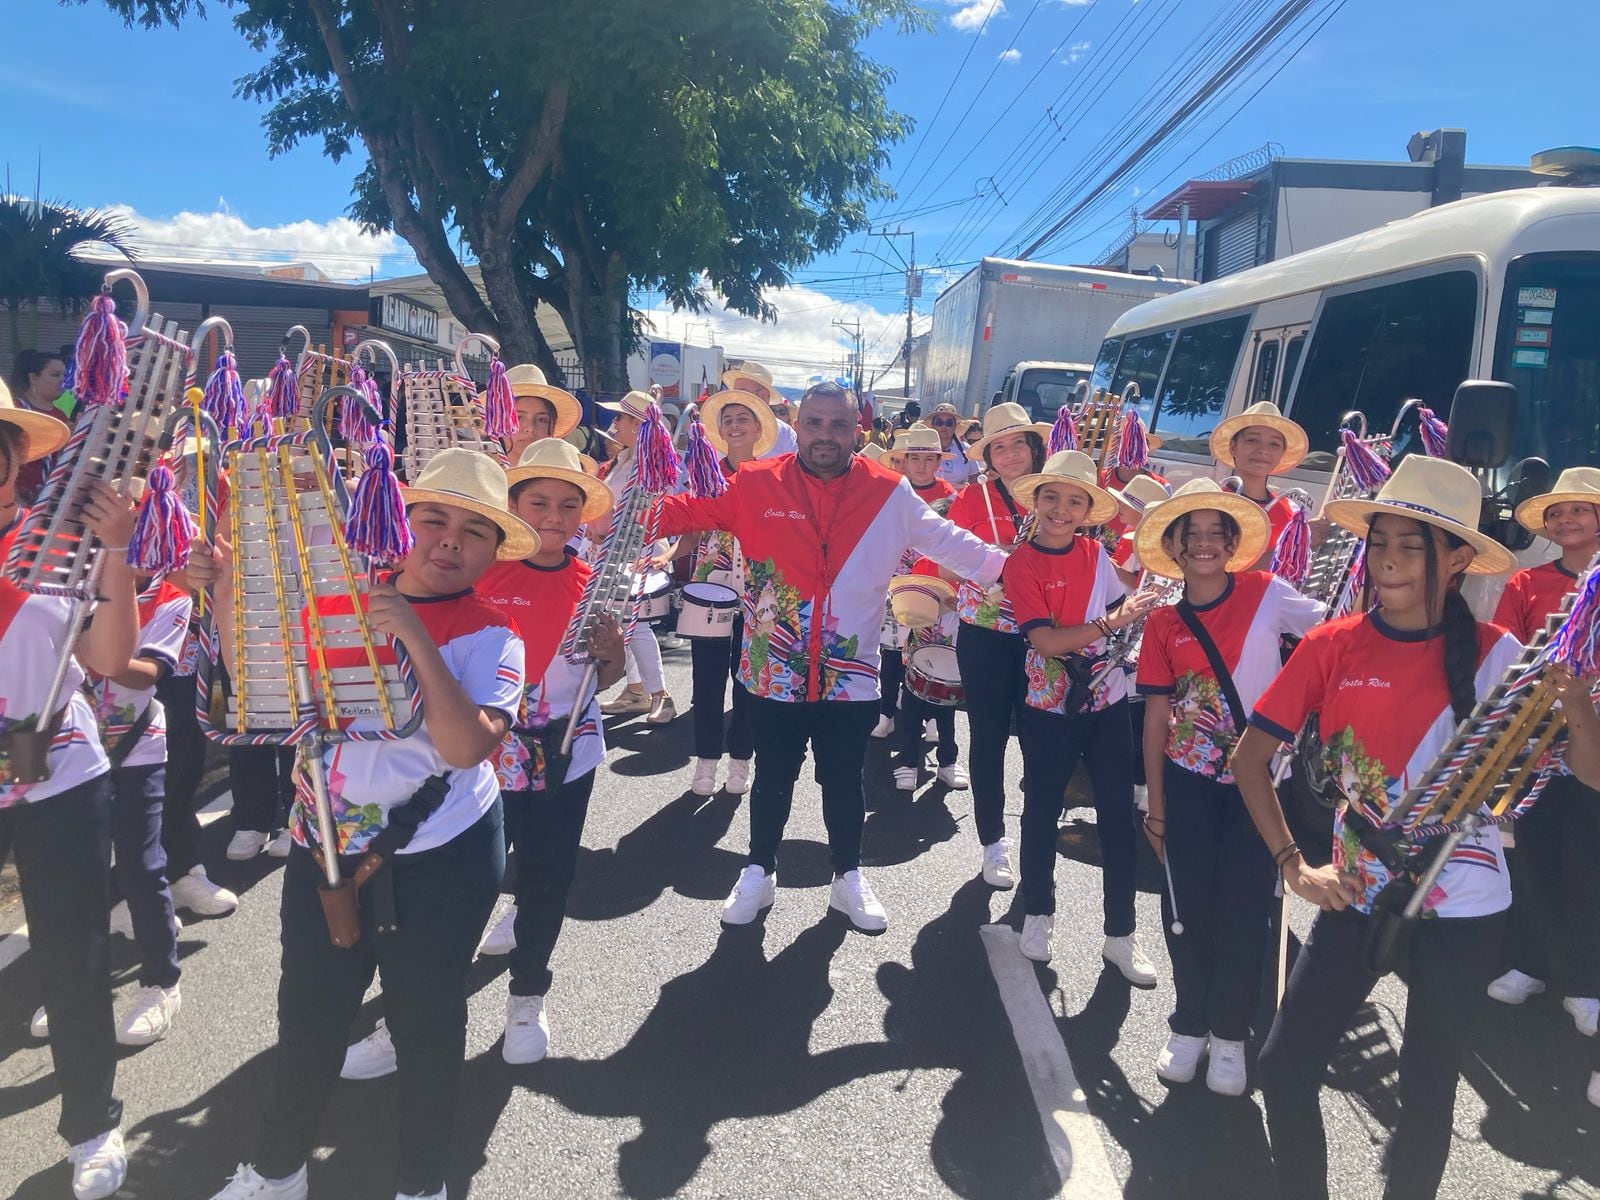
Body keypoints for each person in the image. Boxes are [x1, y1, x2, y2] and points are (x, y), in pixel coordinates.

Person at [194, 449, 533, 1200]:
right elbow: (261, 687)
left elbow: (465, 744)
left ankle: (422, 1181)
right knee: (309, 1019)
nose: (449, 541)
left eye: (474, 531)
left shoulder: (496, 635)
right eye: (433, 519)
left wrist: (411, 633)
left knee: (427, 1025)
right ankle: (278, 1170)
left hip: (444, 855)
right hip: (324, 849)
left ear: (492, 551)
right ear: (398, 520)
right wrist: (221, 591)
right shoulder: (334, 597)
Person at [1230, 455, 1524, 1200]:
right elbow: (1249, 759)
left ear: (1457, 559)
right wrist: (1295, 864)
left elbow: (1569, 775)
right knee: (1285, 1067)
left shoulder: (1501, 656)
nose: (1388, 561)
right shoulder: (1334, 645)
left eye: (1411, 546)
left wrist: (1577, 704)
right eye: (1381, 542)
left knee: (1427, 1099)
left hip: (1465, 910)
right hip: (1356, 894)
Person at [654, 381, 1005, 932]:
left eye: (838, 425)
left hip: (853, 674)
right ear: (800, 429)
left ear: (856, 431)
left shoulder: (889, 493)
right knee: (773, 777)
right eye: (814, 423)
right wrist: (610, 512)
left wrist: (1023, 573)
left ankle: (847, 876)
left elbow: (956, 545)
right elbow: (691, 511)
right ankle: (758, 870)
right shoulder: (756, 483)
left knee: (843, 781)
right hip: (773, 670)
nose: (824, 435)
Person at [1133, 479, 1323, 1094]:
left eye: (1218, 534)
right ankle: (1188, 1025)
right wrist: (1155, 805)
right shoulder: (1162, 622)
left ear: (1234, 545)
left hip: (1259, 790)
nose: (1207, 545)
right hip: (1187, 786)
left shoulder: (1271, 595)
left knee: (1246, 912)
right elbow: (1157, 720)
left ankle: (1231, 1034)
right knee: (1187, 911)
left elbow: (1336, 635)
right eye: (1195, 537)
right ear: (1177, 549)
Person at [0, 380, 141, 1200]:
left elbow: (110, 662)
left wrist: (118, 547)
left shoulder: (60, 546)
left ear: (17, 458)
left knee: (73, 959)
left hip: (59, 773)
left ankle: (91, 1119)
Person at [1002, 450, 1161, 980]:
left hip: (1108, 704)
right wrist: (1114, 622)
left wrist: (1143, 602)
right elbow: (1045, 641)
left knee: (1117, 818)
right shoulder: (1020, 562)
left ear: (1088, 508)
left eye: (1075, 500)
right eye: (1052, 497)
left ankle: (1120, 933)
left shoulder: (1096, 555)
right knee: (1041, 811)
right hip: (1048, 707)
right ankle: (1039, 914)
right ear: (1037, 502)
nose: (1061, 509)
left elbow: (1131, 606)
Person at [1485, 466, 1600, 1038]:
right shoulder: (1526, 584)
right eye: (1556, 513)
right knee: (1530, 851)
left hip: (1596, 743)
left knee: (1589, 860)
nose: (1565, 519)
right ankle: (1529, 961)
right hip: (1535, 738)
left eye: (1578, 509)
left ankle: (1586, 981)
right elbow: (1506, 654)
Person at [941, 402, 1053, 890]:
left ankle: (1037, 840)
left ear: (1034, 448)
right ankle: (993, 841)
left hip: (1046, 634)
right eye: (998, 446)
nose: (1009, 454)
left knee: (1041, 740)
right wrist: (994, 564)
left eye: (1018, 443)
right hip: (984, 633)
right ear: (988, 454)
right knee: (986, 738)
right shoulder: (970, 499)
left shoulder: (1056, 495)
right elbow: (945, 567)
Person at [679, 390, 776, 796]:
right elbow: (691, 525)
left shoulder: (774, 478)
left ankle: (741, 759)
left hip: (759, 592)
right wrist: (664, 555)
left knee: (748, 680)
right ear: (720, 430)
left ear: (757, 429)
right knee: (707, 679)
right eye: (729, 419)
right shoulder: (706, 474)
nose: (736, 425)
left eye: (744, 419)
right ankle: (705, 760)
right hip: (711, 590)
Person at [594, 391, 676, 725]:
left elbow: (643, 515)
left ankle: (661, 695)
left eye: (621, 418)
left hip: (635, 553)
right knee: (620, 623)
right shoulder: (626, 459)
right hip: (615, 551)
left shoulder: (648, 465)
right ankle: (637, 689)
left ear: (636, 425)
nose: (614, 423)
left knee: (634, 625)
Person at [1208, 401, 1309, 560]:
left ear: (1282, 453)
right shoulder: (1210, 502)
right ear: (1233, 447)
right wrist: (1291, 547)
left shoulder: (1290, 510)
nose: (1263, 450)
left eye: (1274, 444)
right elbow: (1219, 571)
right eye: (1252, 440)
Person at [9, 348, 72, 505]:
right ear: (33, 378)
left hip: (46, 497)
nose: (63, 381)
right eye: (55, 375)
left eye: (65, 375)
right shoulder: (15, 410)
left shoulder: (61, 415)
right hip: (16, 497)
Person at [503, 364, 582, 464]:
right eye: (518, 418)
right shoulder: (481, 475)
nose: (530, 428)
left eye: (542, 420)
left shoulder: (568, 472)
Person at [723, 362, 798, 458]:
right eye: (734, 392)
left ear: (763, 396)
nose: (735, 398)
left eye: (741, 392)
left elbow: (791, 469)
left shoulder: (784, 433)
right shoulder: (719, 427)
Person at [928, 402, 978, 487]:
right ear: (933, 425)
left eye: (949, 423)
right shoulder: (923, 448)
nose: (944, 426)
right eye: (939, 422)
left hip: (958, 498)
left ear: (955, 426)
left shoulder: (965, 449)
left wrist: (967, 487)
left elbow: (976, 476)